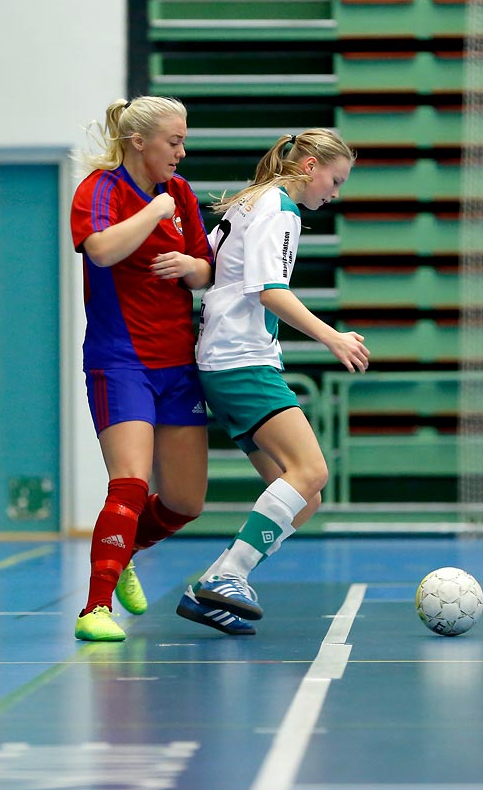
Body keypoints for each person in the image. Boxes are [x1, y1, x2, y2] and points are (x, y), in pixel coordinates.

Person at [68, 96, 240, 642]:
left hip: (176, 363)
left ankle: (124, 551)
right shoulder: (100, 190)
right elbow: (99, 251)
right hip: (120, 362)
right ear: (139, 141)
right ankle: (94, 609)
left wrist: (194, 265)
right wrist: (152, 213)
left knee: (186, 501)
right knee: (130, 483)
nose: (182, 154)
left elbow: (203, 273)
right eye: (174, 141)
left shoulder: (182, 193)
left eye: (184, 141)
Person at [183, 129, 368, 633]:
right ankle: (232, 575)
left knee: (304, 500)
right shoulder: (279, 208)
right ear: (309, 166)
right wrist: (333, 337)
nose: (335, 192)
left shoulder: (250, 201)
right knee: (311, 471)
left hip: (224, 361)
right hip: (241, 361)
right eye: (335, 179)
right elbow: (270, 291)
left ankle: (211, 585)